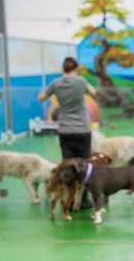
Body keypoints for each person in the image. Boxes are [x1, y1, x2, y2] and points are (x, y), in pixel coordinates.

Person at [38, 57, 97, 207]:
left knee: (68, 165)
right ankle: (82, 199)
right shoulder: (81, 81)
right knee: (83, 164)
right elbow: (93, 91)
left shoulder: (56, 83)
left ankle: (69, 200)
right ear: (76, 69)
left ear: (63, 69)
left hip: (65, 129)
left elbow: (41, 98)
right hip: (83, 129)